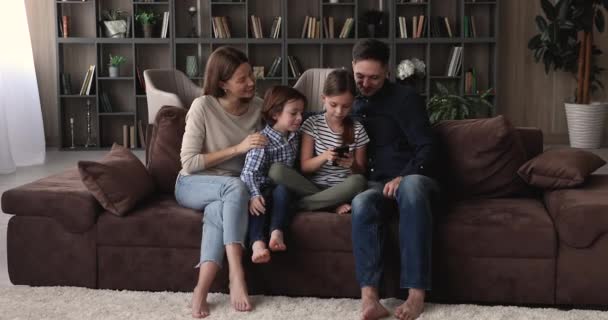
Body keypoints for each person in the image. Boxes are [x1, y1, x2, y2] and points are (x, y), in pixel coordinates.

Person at [349, 39, 440, 320]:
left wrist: (405, 175)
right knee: (362, 201)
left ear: (387, 72)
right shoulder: (348, 101)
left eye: (374, 77)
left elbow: (428, 147)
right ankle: (370, 298)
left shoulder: (405, 99)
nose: (365, 83)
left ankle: (415, 293)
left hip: (417, 179)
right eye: (359, 76)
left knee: (411, 187)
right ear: (352, 66)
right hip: (376, 185)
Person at [174, 46, 267, 318]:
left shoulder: (259, 108)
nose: (250, 82)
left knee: (219, 210)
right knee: (234, 187)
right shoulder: (203, 107)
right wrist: (237, 148)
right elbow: (188, 163)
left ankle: (200, 291)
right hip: (193, 184)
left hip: (230, 192)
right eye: (242, 79)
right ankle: (237, 275)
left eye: (251, 74)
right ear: (223, 84)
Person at [269, 69, 369, 214]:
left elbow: (361, 172)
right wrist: (324, 157)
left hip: (342, 190)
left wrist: (352, 164)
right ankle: (330, 205)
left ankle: (300, 205)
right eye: (333, 105)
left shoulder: (358, 129)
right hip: (312, 186)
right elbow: (305, 167)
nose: (339, 111)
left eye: (346, 106)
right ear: (323, 99)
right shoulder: (312, 124)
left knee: (359, 181)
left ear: (353, 102)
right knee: (276, 170)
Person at [240, 86, 307, 264]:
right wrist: (254, 195)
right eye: (294, 113)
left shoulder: (296, 135)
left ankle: (276, 232)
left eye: (302, 112)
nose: (300, 117)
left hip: (282, 188)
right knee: (257, 205)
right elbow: (248, 172)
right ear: (276, 114)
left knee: (283, 192)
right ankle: (257, 243)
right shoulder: (262, 140)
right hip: (261, 188)